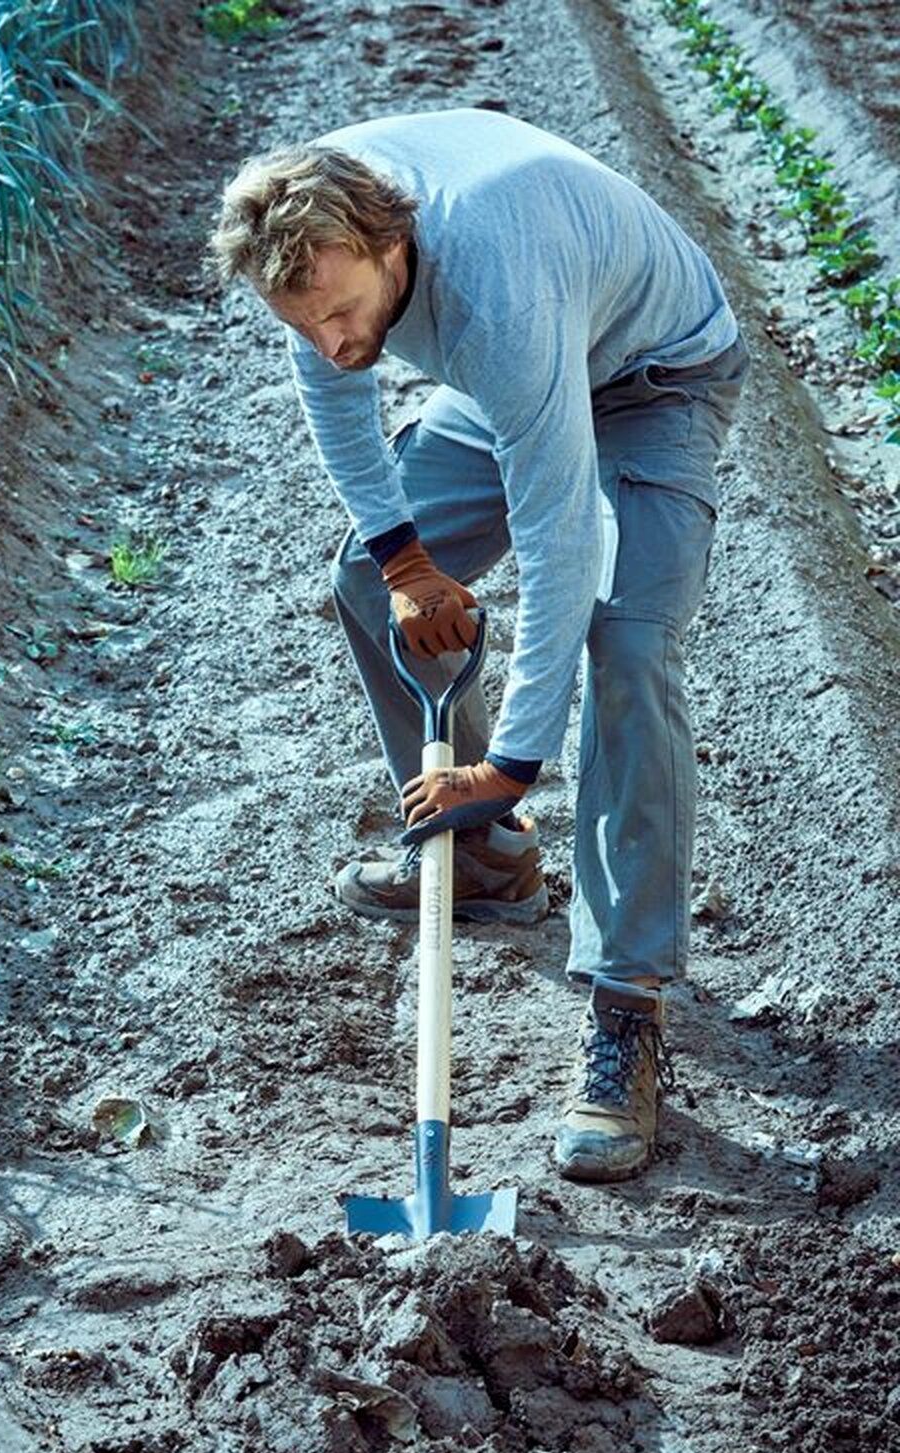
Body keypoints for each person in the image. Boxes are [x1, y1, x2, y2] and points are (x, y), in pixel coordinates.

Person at [211, 107, 748, 1182]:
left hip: (654, 379)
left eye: (343, 315)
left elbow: (558, 541)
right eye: (302, 324)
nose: (331, 343)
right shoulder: (309, 250)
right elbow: (339, 409)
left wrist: (510, 763)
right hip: (515, 378)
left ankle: (626, 1006)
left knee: (628, 646)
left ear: (391, 245)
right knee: (366, 579)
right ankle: (485, 859)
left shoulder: (495, 295)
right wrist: (408, 564)